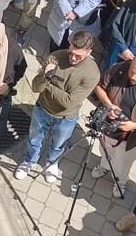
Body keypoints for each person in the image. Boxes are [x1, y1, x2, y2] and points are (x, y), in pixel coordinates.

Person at [17, 30, 100, 182]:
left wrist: (48, 82)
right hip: (42, 108)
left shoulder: (92, 73)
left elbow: (69, 101)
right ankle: (29, 161)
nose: (73, 58)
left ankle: (51, 163)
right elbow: (36, 87)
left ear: (89, 52)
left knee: (58, 144)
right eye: (70, 53)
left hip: (66, 117)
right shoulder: (55, 57)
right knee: (34, 139)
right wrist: (43, 76)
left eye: (78, 56)